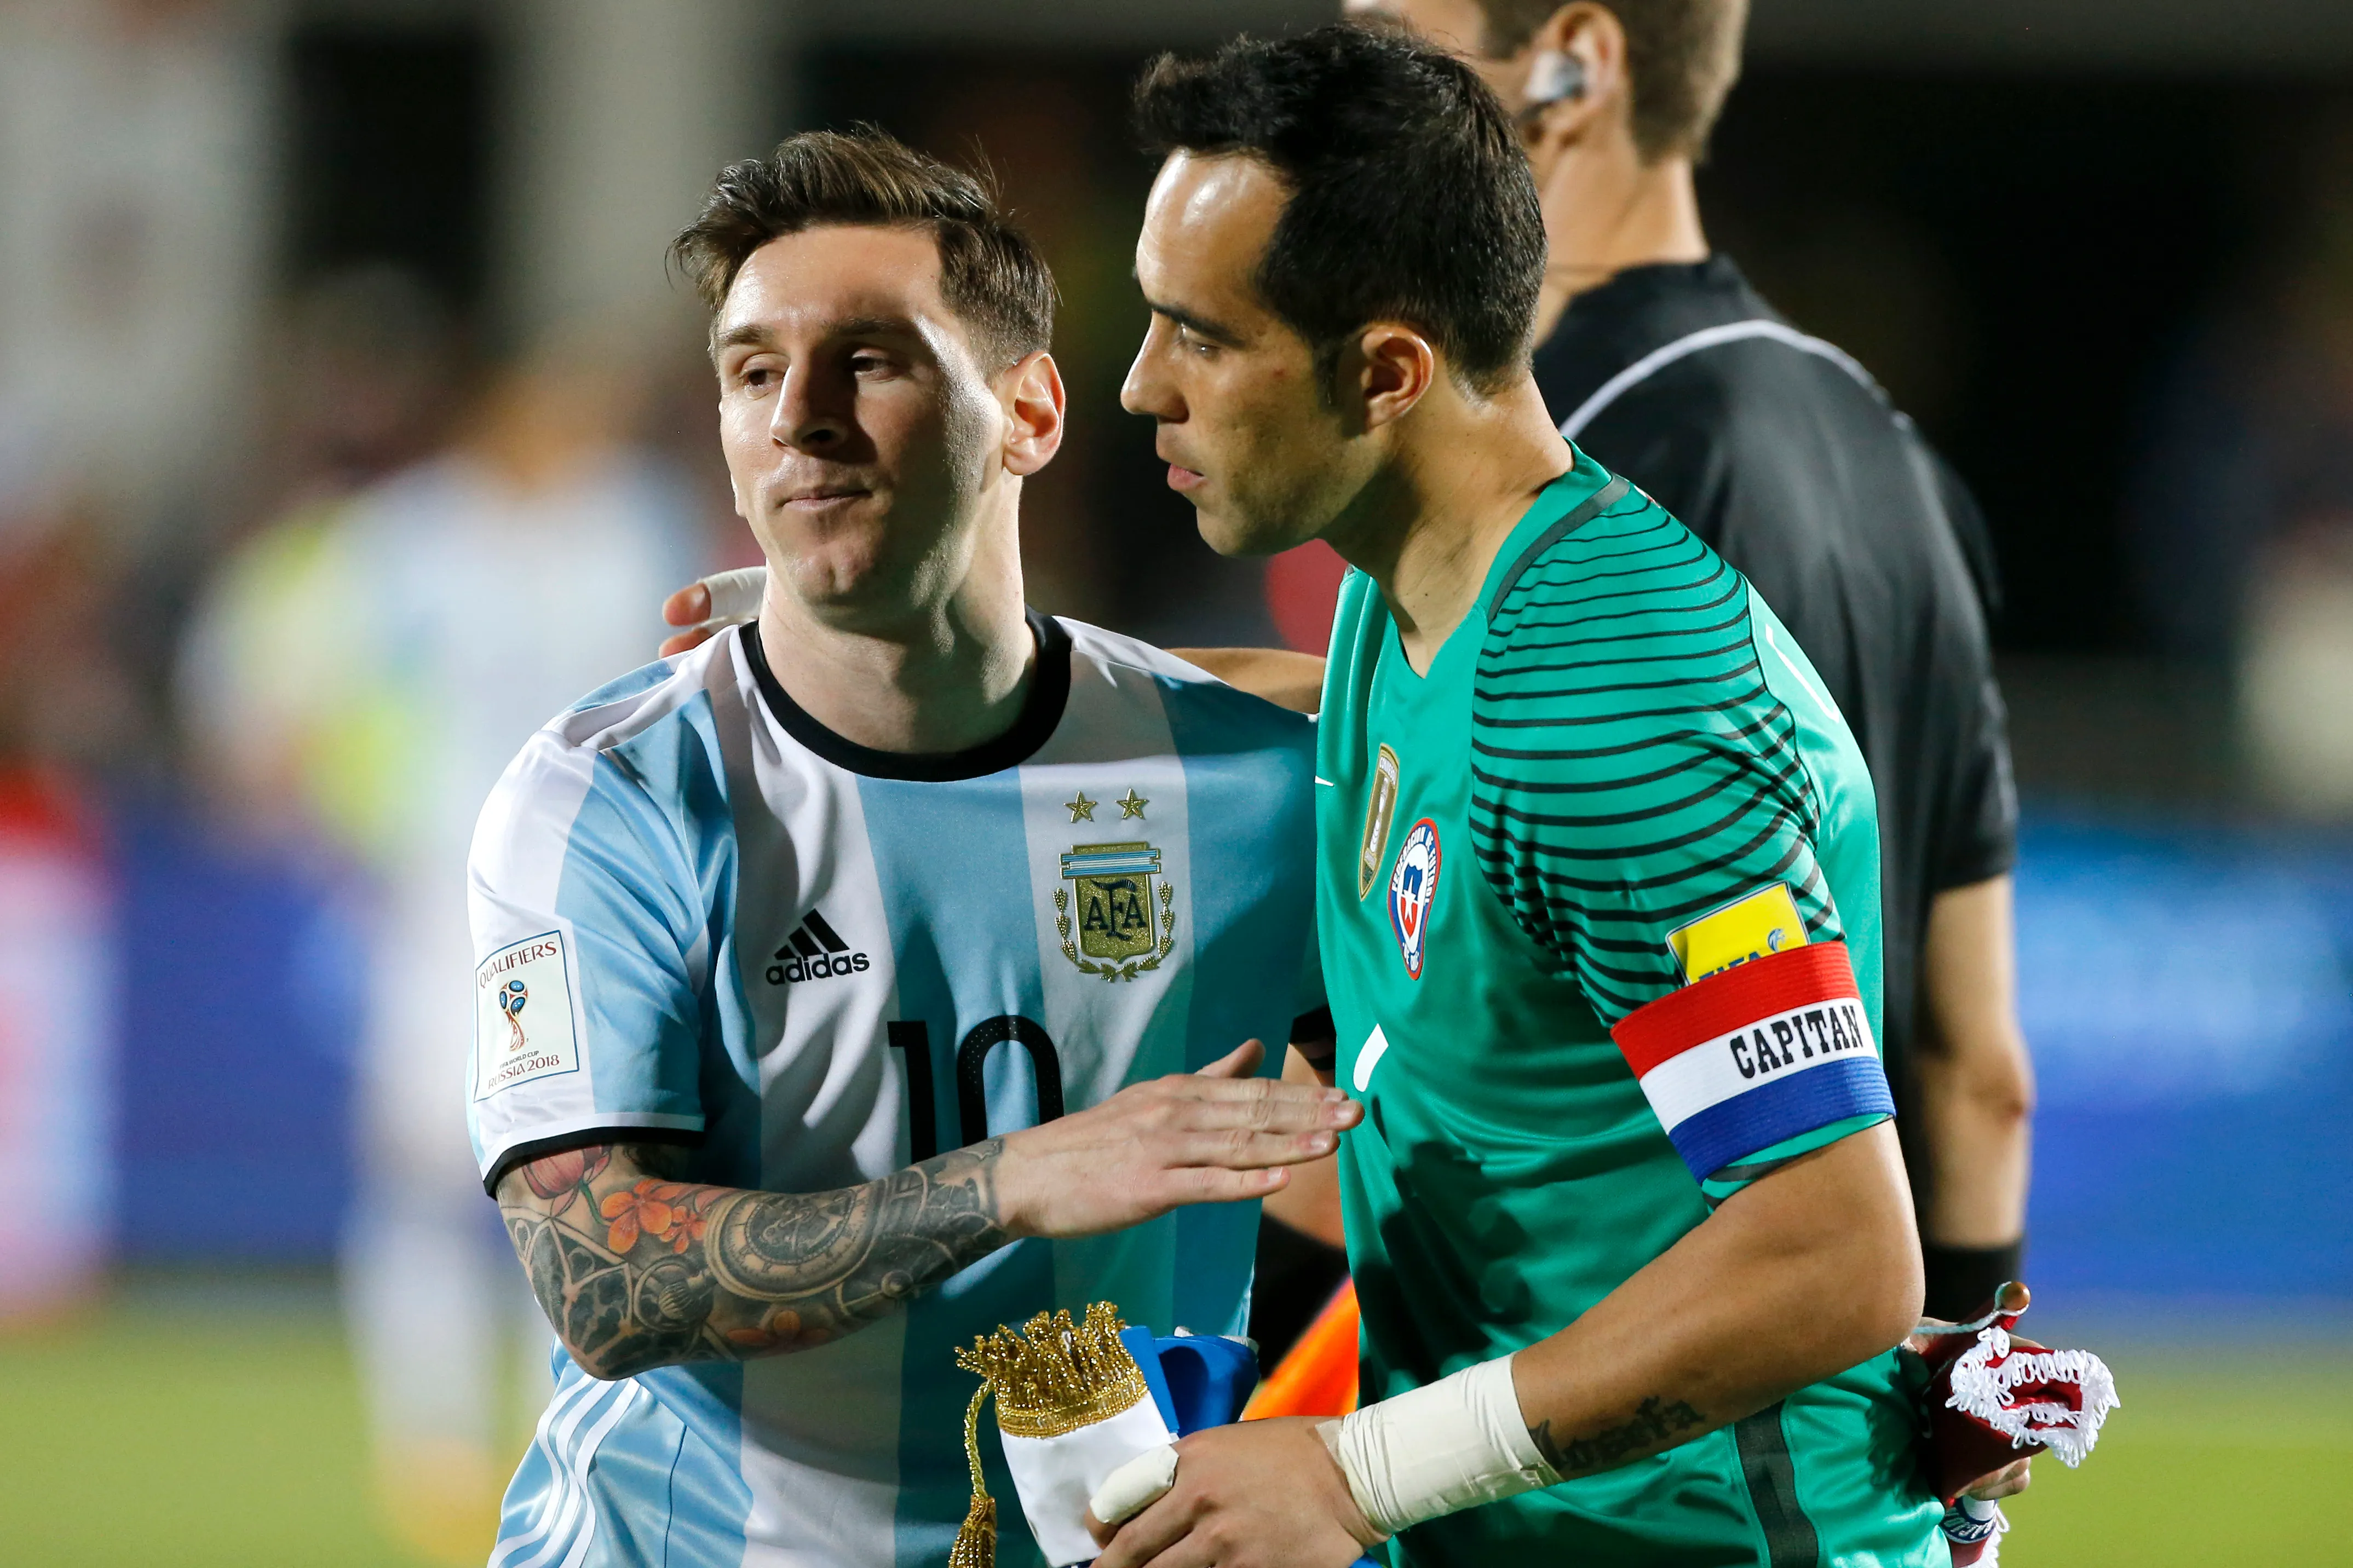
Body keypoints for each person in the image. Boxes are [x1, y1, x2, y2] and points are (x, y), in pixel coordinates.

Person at [1092, 26, 1939, 1566]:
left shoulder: (1608, 702)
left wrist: (1357, 1472)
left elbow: (1837, 1252)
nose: (1142, 383)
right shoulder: (1416, 586)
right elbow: (1324, 727)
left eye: (1200, 336)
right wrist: (923, 659)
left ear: (1389, 372)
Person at [466, 129, 1355, 1568]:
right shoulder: (614, 792)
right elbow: (599, 1279)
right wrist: (1012, 1180)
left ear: (1031, 413)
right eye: (754, 371)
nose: (799, 416)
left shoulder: (1256, 787)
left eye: (870, 360)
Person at [1231, 0, 2031, 1328]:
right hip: (1823, 1424)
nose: (1337, 96)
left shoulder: (1535, 472)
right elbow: (1977, 1062)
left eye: (1385, 40)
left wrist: (1230, 1395)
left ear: (1577, 64)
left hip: (1619, 1398)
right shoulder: (1886, 448)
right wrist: (1943, 1402)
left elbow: (1404, 1065)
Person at [179, 283, 703, 1563]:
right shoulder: (406, 540)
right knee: (422, 1170)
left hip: (599, 904)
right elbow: (260, 685)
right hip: (437, 898)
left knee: (579, 1162)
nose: (589, 417)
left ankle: (552, 1422)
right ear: (504, 400)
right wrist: (309, 819)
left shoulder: (638, 525)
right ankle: (427, 1444)